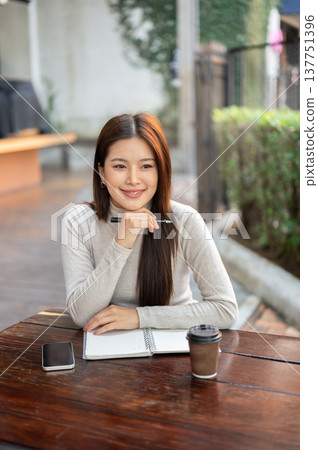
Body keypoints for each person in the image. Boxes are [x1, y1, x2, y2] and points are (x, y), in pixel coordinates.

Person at [61, 112, 238, 334]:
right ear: (102, 172)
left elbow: (225, 309)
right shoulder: (77, 221)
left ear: (160, 171)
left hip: (173, 348)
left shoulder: (184, 220)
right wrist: (121, 242)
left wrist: (139, 317)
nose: (133, 179)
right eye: (119, 166)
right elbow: (81, 314)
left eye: (146, 166)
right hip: (108, 350)